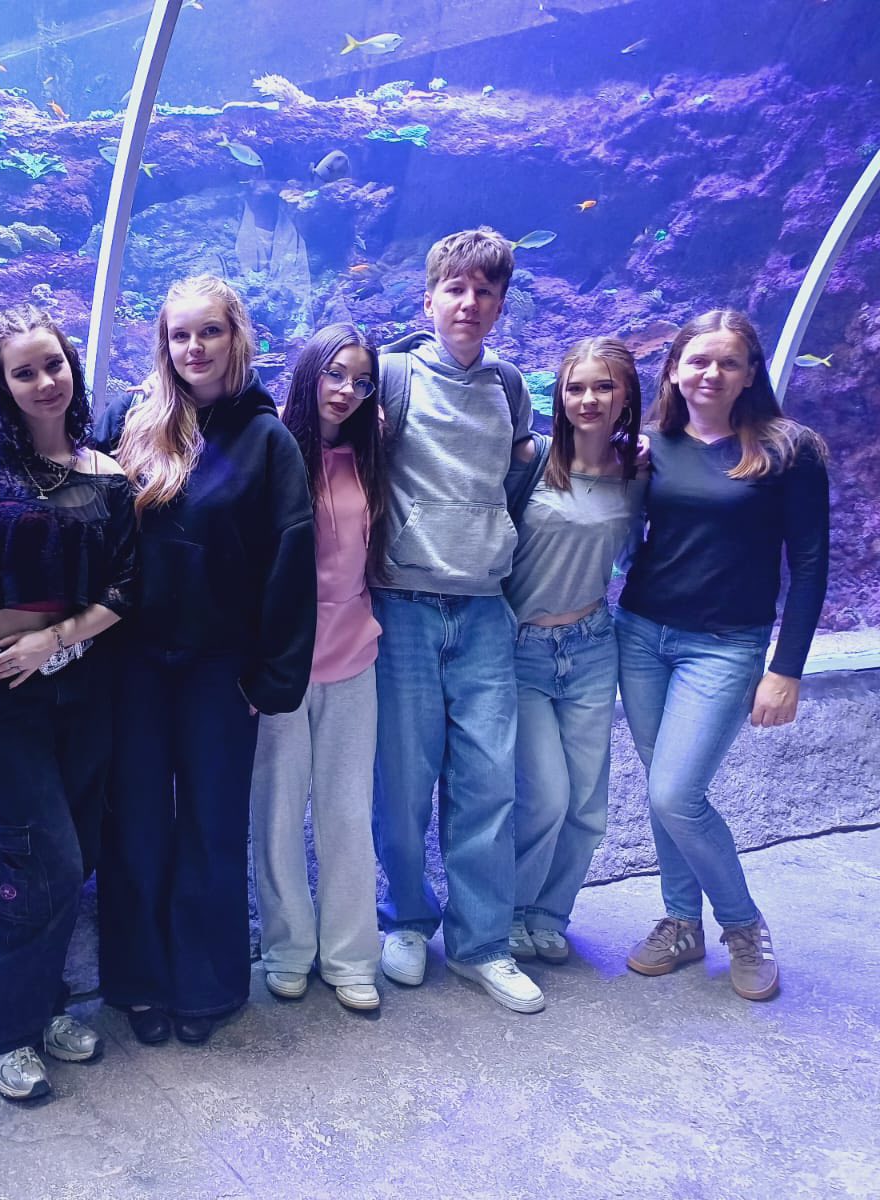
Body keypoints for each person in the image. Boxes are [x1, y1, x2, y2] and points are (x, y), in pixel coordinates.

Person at [94, 274, 315, 1046]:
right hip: (133, 664)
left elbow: (291, 561)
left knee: (212, 828)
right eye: (180, 334)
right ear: (165, 341)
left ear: (236, 336)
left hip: (221, 669)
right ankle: (138, 983)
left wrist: (272, 677)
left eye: (209, 331)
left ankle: (207, 986)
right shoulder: (129, 420)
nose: (194, 347)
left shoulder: (268, 440)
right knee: (137, 826)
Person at [0, 304, 137, 1101]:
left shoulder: (109, 474)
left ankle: (44, 1003)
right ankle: (2, 1032)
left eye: (53, 364)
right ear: (2, 384)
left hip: (83, 684)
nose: (43, 382)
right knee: (44, 855)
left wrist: (55, 640)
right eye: (23, 372)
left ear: (72, 368)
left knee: (76, 854)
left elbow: (128, 586)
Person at [617, 309, 828, 1002]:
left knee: (676, 792)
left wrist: (786, 669)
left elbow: (811, 564)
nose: (711, 373)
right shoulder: (649, 445)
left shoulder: (789, 449)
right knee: (663, 788)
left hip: (725, 646)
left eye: (727, 362)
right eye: (698, 361)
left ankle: (742, 925)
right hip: (641, 635)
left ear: (749, 372)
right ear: (674, 369)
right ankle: (682, 923)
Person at [371, 227, 546, 1014]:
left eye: (485, 291)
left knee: (488, 782)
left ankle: (482, 944)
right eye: (456, 289)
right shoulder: (391, 377)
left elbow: (519, 476)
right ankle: (406, 918)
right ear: (429, 298)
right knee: (404, 781)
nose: (469, 303)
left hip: (482, 608)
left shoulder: (510, 387)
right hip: (403, 601)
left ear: (501, 304)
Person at [249, 323, 387, 1012]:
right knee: (277, 812)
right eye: (335, 374)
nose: (346, 390)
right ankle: (287, 949)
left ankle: (351, 955)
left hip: (354, 652)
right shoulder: (271, 446)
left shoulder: (372, 453)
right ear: (310, 373)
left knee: (347, 811)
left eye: (361, 381)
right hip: (282, 661)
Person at [504, 337, 647, 964]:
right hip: (522, 648)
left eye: (603, 386)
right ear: (559, 395)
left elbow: (642, 553)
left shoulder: (639, 470)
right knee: (545, 795)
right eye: (576, 387)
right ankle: (509, 910)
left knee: (588, 803)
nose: (588, 399)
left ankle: (549, 913)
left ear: (626, 395)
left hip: (591, 646)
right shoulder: (531, 459)